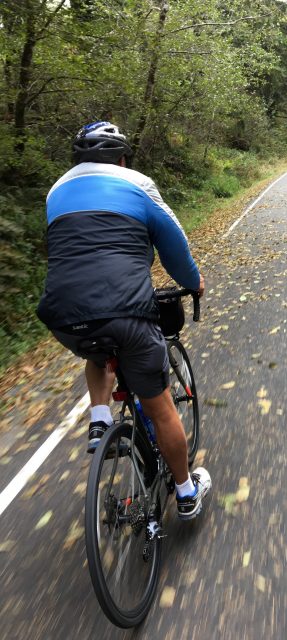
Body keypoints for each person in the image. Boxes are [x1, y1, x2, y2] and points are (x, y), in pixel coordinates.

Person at [37, 121, 211, 520]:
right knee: (161, 407)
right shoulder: (137, 183)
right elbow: (173, 242)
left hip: (62, 316)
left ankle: (99, 420)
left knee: (97, 351)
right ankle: (186, 493)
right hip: (128, 312)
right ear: (120, 158)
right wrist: (193, 282)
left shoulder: (56, 192)